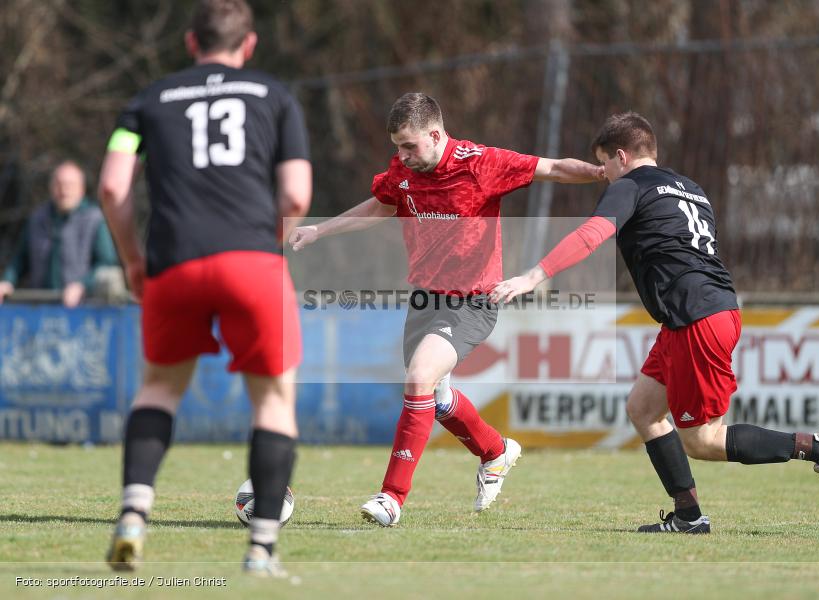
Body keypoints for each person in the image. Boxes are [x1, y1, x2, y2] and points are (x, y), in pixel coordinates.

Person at [490, 112, 819, 533]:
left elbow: (592, 235)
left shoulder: (628, 186)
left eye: (604, 164)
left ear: (621, 157)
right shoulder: (690, 189)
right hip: (703, 311)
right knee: (643, 409)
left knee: (704, 440)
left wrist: (532, 277)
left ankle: (818, 447)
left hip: (696, 316)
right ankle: (688, 516)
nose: (602, 175)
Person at [289, 92, 602, 527]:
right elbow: (382, 205)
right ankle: (495, 452)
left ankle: (391, 497)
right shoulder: (404, 169)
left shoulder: (481, 163)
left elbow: (550, 168)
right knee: (435, 397)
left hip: (473, 300)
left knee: (419, 378)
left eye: (410, 145)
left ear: (436, 134)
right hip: (425, 299)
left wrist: (606, 174)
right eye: (397, 145)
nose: (401, 155)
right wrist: (321, 230)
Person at [98, 0, 312, 575]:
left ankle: (133, 516)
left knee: (160, 390)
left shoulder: (146, 101)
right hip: (251, 261)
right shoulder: (276, 97)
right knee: (272, 401)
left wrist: (133, 261)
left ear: (191, 43)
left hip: (174, 262)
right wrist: (257, 236)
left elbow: (113, 187)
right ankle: (261, 549)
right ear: (250, 45)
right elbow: (295, 196)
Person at [0, 160, 118, 307]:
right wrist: (7, 281)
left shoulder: (94, 219)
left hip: (82, 309)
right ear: (51, 187)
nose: (64, 190)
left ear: (81, 189)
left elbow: (106, 264)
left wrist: (82, 285)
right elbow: (19, 260)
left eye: (70, 185)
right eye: (59, 184)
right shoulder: (37, 218)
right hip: (40, 308)